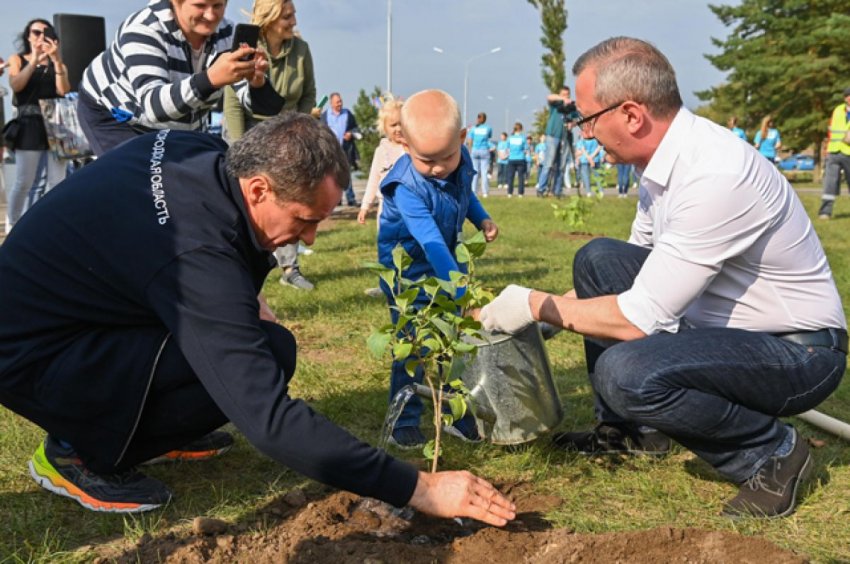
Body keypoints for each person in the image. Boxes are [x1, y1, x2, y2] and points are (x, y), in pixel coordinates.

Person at [0, 112, 516, 525]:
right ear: (260, 191)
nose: (311, 239)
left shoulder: (202, 155)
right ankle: (74, 451)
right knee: (255, 363)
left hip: (79, 312)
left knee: (273, 346)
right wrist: (420, 487)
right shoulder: (195, 253)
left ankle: (149, 423)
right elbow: (269, 422)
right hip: (33, 355)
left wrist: (245, 295)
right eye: (306, 220)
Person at [478, 37, 846, 519]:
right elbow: (633, 281)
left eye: (588, 119)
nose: (585, 134)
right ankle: (632, 433)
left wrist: (535, 305)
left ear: (631, 114)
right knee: (599, 259)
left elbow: (636, 319)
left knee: (625, 372)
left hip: (796, 352)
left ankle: (770, 454)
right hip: (727, 332)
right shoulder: (662, 167)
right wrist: (542, 315)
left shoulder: (714, 174)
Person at [377, 89, 499, 449]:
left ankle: (455, 415)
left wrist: (481, 217)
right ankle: (405, 420)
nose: (437, 168)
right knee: (412, 344)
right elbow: (428, 240)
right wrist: (459, 290)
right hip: (408, 272)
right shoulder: (405, 187)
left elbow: (465, 193)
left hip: (448, 259)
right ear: (404, 143)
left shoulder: (457, 157)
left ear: (461, 140)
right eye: (424, 160)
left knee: (456, 340)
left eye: (445, 157)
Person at [77, 0, 268, 156]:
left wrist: (257, 84)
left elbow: (257, 104)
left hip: (180, 120)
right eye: (200, 6)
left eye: (218, 6)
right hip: (115, 115)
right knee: (139, 182)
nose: (210, 15)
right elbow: (154, 107)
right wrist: (210, 79)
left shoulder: (226, 32)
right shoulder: (143, 29)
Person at [223, 0, 318, 291]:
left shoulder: (301, 51)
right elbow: (232, 101)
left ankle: (290, 267)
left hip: (286, 131)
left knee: (288, 196)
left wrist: (298, 133)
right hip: (248, 130)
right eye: (288, 16)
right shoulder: (247, 47)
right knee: (244, 200)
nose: (294, 21)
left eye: (294, 15)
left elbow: (308, 94)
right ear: (271, 18)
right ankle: (235, 265)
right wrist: (240, 150)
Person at [4, 19, 70, 234]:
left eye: (46, 32)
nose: (41, 37)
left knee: (57, 181)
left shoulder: (58, 64)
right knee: (25, 180)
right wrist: (34, 60)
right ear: (28, 36)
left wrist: (56, 59)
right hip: (29, 124)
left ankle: (52, 225)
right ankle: (13, 224)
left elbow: (63, 91)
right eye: (36, 32)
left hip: (55, 125)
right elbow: (16, 85)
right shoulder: (17, 60)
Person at [359, 95, 405, 298]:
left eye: (402, 124)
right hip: (386, 209)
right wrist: (365, 206)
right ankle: (386, 286)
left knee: (408, 250)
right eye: (393, 125)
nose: (398, 129)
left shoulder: (412, 149)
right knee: (386, 249)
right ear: (385, 127)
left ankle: (408, 284)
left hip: (409, 209)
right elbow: (373, 179)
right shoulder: (382, 150)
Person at [535, 86, 578, 197]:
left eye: (567, 95)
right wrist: (562, 99)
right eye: (564, 94)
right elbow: (549, 97)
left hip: (565, 137)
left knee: (561, 165)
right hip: (553, 136)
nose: (566, 96)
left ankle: (557, 190)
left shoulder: (571, 107)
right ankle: (541, 189)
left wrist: (571, 124)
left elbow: (575, 119)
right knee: (548, 164)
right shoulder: (556, 104)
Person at [816, 87, 850, 220]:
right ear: (845, 98)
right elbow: (831, 130)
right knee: (829, 183)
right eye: (848, 96)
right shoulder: (838, 110)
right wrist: (826, 149)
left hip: (849, 152)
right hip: (834, 151)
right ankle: (825, 212)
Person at [322, 92, 359, 206]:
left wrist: (351, 134)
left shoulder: (347, 114)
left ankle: (351, 199)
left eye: (340, 101)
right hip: (331, 151)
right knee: (333, 175)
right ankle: (336, 200)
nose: (340, 104)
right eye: (337, 102)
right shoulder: (325, 116)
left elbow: (355, 128)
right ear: (331, 103)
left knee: (346, 174)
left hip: (345, 150)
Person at [466, 111, 493, 198]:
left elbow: (470, 140)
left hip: (475, 150)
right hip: (484, 150)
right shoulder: (488, 128)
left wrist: (470, 150)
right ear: (485, 119)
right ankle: (485, 192)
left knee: (475, 172)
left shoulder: (473, 129)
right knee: (484, 172)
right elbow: (489, 137)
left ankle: (474, 191)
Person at [505, 122, 528, 198]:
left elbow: (507, 149)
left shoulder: (510, 138)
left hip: (511, 159)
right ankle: (520, 193)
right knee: (521, 177)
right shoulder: (523, 138)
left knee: (510, 177)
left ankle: (509, 193)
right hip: (521, 158)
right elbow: (526, 149)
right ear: (521, 129)